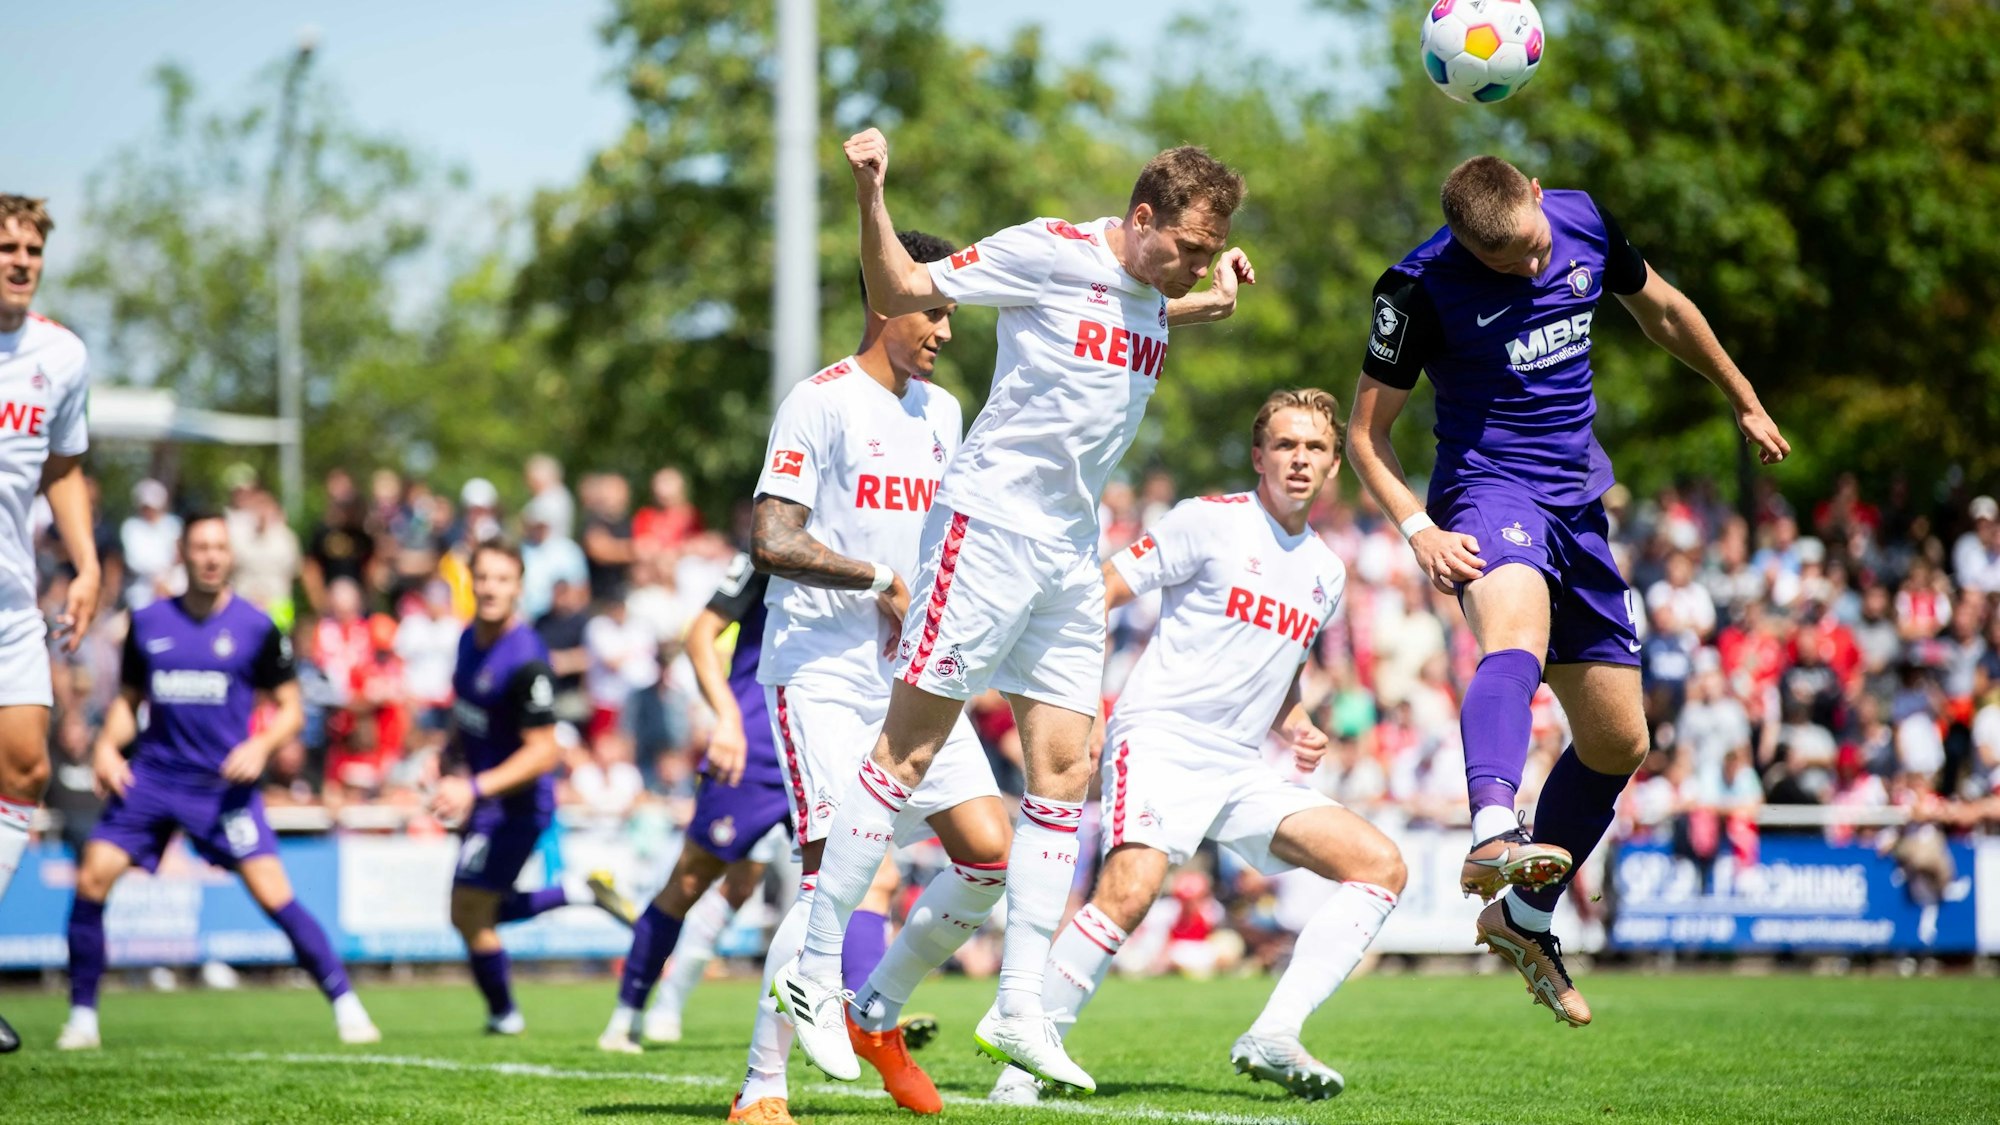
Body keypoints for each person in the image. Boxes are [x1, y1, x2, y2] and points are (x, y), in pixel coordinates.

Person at [779, 128, 1251, 1094]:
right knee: (904, 752)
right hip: (987, 527)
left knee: (1066, 770)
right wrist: (873, 193)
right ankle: (814, 970)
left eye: (1210, 250)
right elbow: (906, 287)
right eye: (1190, 246)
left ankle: (1020, 1004)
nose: (1194, 265)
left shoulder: (1155, 289)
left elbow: (1155, 308)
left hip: (1071, 550)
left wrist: (1214, 287)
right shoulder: (1046, 250)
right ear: (1143, 218)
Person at [1344, 155, 1790, 1026]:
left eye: (1535, 248)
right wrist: (1417, 528)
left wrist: (1741, 396)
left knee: (1622, 741)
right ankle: (1491, 830)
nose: (1531, 268)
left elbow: (1661, 308)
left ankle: (1524, 916)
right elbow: (1366, 433)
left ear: (1542, 200)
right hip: (1488, 492)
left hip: (1580, 504)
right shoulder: (1416, 287)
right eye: (1506, 263)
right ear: (1465, 245)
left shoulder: (1583, 218)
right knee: (1514, 640)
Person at [987, 390, 1404, 1104]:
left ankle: (1274, 1031)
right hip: (1159, 738)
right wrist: (1080, 703)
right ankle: (1021, 1065)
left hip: (1241, 764)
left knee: (1379, 865)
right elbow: (1098, 594)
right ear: (1258, 456)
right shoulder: (1207, 522)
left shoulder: (1326, 573)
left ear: (1335, 466)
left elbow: (1277, 668)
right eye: (1285, 445)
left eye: (1314, 448)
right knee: (1130, 890)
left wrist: (1295, 719)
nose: (1299, 459)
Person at [743, 229, 1017, 1125]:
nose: (945, 328)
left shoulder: (944, 412)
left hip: (913, 673)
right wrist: (877, 581)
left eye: (951, 312)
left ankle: (873, 1011)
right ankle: (761, 1088)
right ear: (883, 295)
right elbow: (771, 541)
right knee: (835, 875)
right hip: (819, 670)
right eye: (934, 308)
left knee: (987, 854)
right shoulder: (816, 402)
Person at [56, 514, 376, 1050]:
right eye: (200, 546)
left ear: (231, 556)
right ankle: (82, 1019)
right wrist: (107, 748)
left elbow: (293, 711)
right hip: (154, 779)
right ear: (182, 552)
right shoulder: (150, 622)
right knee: (92, 879)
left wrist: (261, 745)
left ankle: (348, 1006)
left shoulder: (257, 627)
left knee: (276, 895)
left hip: (221, 788)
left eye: (219, 548)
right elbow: (128, 703)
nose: (210, 556)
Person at [429, 539, 632, 1035]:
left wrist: (472, 787)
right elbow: (470, 716)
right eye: (483, 578)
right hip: (486, 798)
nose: (491, 588)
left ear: (519, 587)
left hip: (518, 805)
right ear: (470, 582)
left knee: (469, 909)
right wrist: (445, 756)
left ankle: (505, 1015)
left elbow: (545, 751)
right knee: (472, 910)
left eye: (502, 579)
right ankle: (578, 894)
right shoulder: (466, 640)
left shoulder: (526, 659)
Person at [597, 550, 796, 1054]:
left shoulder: (878, 553)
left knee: (861, 883)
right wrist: (727, 719)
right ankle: (632, 1012)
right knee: (693, 880)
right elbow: (701, 633)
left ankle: (873, 1017)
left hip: (832, 749)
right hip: (754, 752)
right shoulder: (769, 550)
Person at [0, 194, 100, 1054]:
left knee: (27, 770)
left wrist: (90, 561)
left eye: (31, 246)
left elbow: (64, 467)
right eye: (5, 245)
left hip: (9, 605)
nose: (20, 258)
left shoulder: (60, 354)